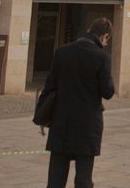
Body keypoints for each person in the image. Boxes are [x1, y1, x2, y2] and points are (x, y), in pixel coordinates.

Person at [40, 17, 116, 188]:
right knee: (83, 178)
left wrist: (42, 117)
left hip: (62, 122)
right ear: (104, 36)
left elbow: (49, 86)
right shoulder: (102, 57)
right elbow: (108, 92)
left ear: (89, 30)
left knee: (55, 179)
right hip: (87, 124)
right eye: (107, 40)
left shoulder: (62, 52)